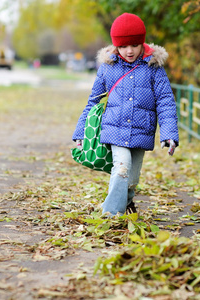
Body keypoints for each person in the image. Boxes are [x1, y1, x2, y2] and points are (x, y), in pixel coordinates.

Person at [72, 13, 179, 216]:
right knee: (122, 168)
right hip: (115, 129)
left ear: (142, 43)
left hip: (142, 130)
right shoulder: (108, 68)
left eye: (134, 45)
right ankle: (111, 215)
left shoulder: (153, 68)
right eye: (123, 46)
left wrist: (169, 134)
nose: (129, 51)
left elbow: (165, 101)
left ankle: (128, 204)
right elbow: (93, 101)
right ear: (116, 46)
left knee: (131, 179)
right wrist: (81, 132)